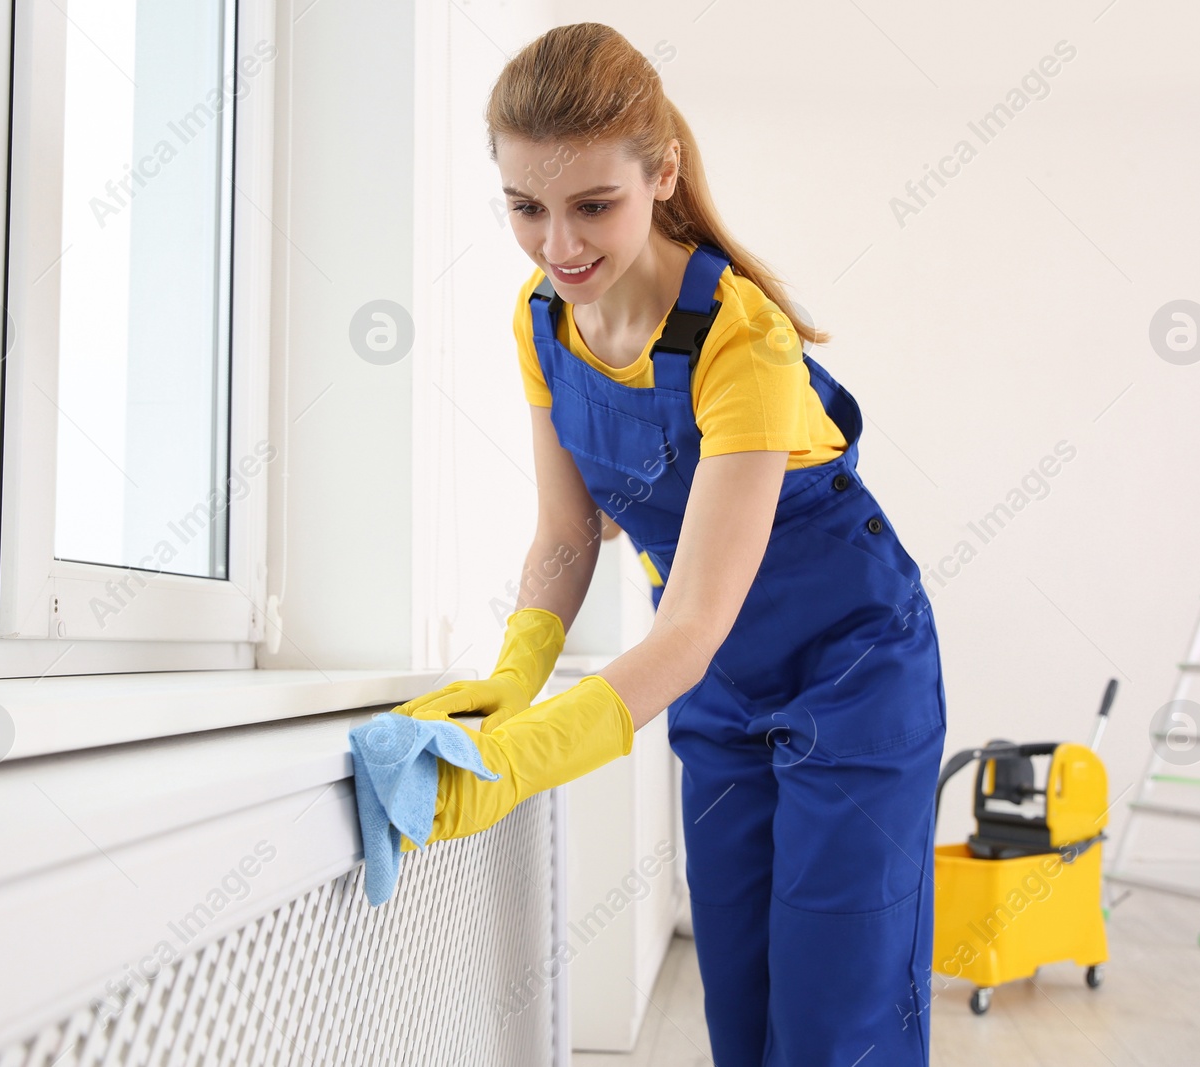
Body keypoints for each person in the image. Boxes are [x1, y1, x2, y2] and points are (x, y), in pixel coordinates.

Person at [395, 22, 947, 1067]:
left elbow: (690, 618)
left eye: (593, 206)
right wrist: (510, 683)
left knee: (837, 1018)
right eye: (525, 208)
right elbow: (568, 533)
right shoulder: (544, 321)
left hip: (855, 670)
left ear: (660, 175)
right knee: (738, 1003)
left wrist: (522, 762)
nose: (559, 246)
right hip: (722, 690)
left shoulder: (744, 338)